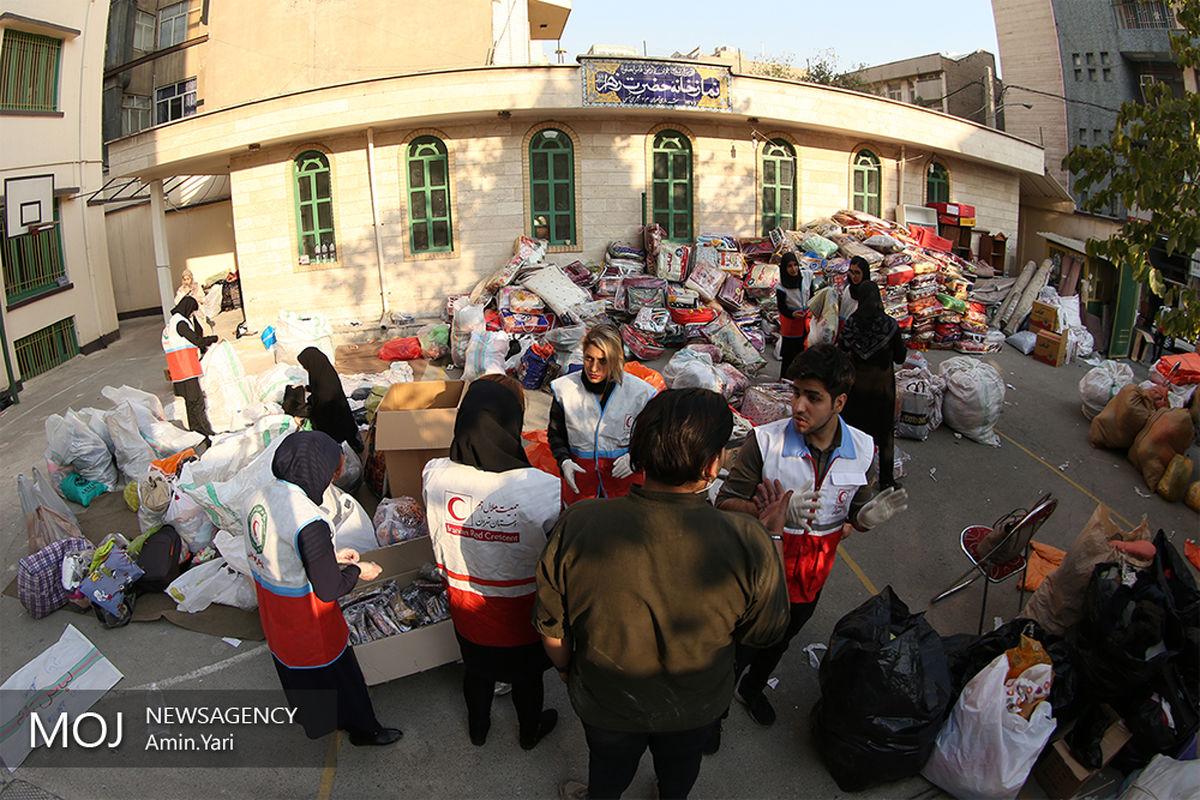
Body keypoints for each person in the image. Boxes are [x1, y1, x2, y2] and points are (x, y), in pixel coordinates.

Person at [536, 388, 791, 800]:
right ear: (712, 465)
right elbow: (766, 630)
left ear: (638, 450)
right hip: (696, 707)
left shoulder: (580, 522)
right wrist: (773, 535)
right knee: (680, 768)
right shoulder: (749, 539)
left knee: (608, 768)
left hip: (606, 701)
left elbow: (553, 627)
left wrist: (568, 671)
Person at [716, 344, 908, 727]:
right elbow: (725, 503)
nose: (798, 406)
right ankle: (716, 710)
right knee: (739, 647)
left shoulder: (862, 450)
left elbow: (855, 512)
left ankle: (751, 689)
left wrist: (866, 518)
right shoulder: (764, 442)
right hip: (759, 574)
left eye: (813, 398)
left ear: (839, 403)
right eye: (796, 392)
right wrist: (771, 512)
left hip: (811, 579)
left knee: (780, 641)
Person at [423, 376, 561, 750]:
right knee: (528, 678)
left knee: (477, 670)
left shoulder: (435, 474)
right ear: (512, 421)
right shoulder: (542, 487)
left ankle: (478, 730)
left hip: (467, 605)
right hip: (521, 610)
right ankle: (529, 733)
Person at [242, 431, 402, 746]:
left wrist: (329, 556)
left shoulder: (257, 497)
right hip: (307, 616)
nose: (330, 482)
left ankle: (319, 721)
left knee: (295, 671)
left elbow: (281, 546)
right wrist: (357, 570)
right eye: (330, 474)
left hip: (273, 607)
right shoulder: (308, 519)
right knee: (340, 675)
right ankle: (364, 730)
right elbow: (328, 589)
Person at [547, 324, 657, 505]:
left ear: (616, 360)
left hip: (625, 487)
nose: (594, 368)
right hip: (581, 484)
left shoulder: (640, 393)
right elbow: (556, 433)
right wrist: (564, 461)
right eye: (589, 359)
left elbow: (654, 436)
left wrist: (636, 458)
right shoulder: (565, 390)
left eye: (603, 361)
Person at [838, 280, 907, 490]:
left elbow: (841, 348)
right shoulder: (890, 325)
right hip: (882, 388)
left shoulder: (852, 323)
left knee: (852, 432)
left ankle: (849, 474)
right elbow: (900, 357)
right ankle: (886, 480)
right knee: (884, 434)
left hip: (856, 387)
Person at [161, 295, 217, 437]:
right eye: (192, 311)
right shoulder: (180, 323)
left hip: (179, 369)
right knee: (197, 403)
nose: (192, 314)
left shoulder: (173, 323)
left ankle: (197, 433)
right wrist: (215, 339)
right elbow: (197, 340)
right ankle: (204, 432)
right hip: (186, 369)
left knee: (191, 404)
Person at [298, 347, 363, 454]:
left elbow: (321, 406)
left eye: (306, 366)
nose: (306, 369)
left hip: (334, 423)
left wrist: (307, 414)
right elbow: (317, 387)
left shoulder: (324, 385)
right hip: (342, 416)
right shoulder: (325, 372)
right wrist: (308, 388)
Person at [776, 252, 809, 379]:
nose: (794, 269)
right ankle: (785, 381)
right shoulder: (781, 287)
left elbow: (810, 295)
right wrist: (792, 314)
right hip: (790, 325)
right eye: (789, 266)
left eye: (795, 265)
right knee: (789, 356)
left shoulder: (805, 278)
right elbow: (781, 307)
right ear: (784, 268)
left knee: (803, 353)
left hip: (805, 322)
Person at [839, 255, 869, 322]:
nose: (853, 276)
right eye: (851, 272)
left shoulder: (869, 292)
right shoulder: (848, 289)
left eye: (857, 273)